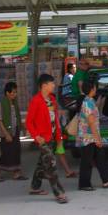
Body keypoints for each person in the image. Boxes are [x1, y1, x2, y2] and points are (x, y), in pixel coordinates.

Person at [26, 74, 68, 204]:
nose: (54, 85)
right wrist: (36, 136)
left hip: (52, 137)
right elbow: (29, 122)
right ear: (44, 86)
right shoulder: (36, 101)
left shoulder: (52, 100)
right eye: (52, 83)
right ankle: (59, 193)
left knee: (42, 164)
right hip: (42, 139)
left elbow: (55, 119)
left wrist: (59, 135)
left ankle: (34, 187)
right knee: (51, 165)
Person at [77, 81, 108, 191]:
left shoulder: (89, 100)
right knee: (87, 161)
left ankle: (107, 180)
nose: (96, 89)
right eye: (94, 88)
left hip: (90, 136)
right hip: (88, 137)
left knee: (100, 157)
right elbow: (91, 123)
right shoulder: (88, 103)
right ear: (91, 90)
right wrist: (98, 139)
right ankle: (84, 184)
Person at [0, 82, 27, 182]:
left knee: (16, 151)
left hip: (15, 131)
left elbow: (17, 117)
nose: (14, 94)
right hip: (6, 133)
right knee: (6, 153)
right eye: (13, 92)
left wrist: (22, 127)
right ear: (7, 93)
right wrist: (6, 134)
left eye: (16, 92)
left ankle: (16, 173)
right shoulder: (3, 104)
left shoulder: (14, 103)